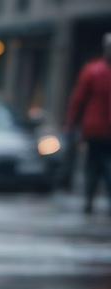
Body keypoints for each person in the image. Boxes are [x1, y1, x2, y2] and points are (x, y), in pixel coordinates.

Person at [66, 33, 111, 215]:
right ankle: (91, 200)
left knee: (95, 165)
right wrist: (71, 123)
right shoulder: (93, 71)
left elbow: (78, 100)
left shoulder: (92, 70)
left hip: (94, 129)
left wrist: (71, 124)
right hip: (96, 129)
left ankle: (90, 200)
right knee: (99, 164)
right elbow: (79, 100)